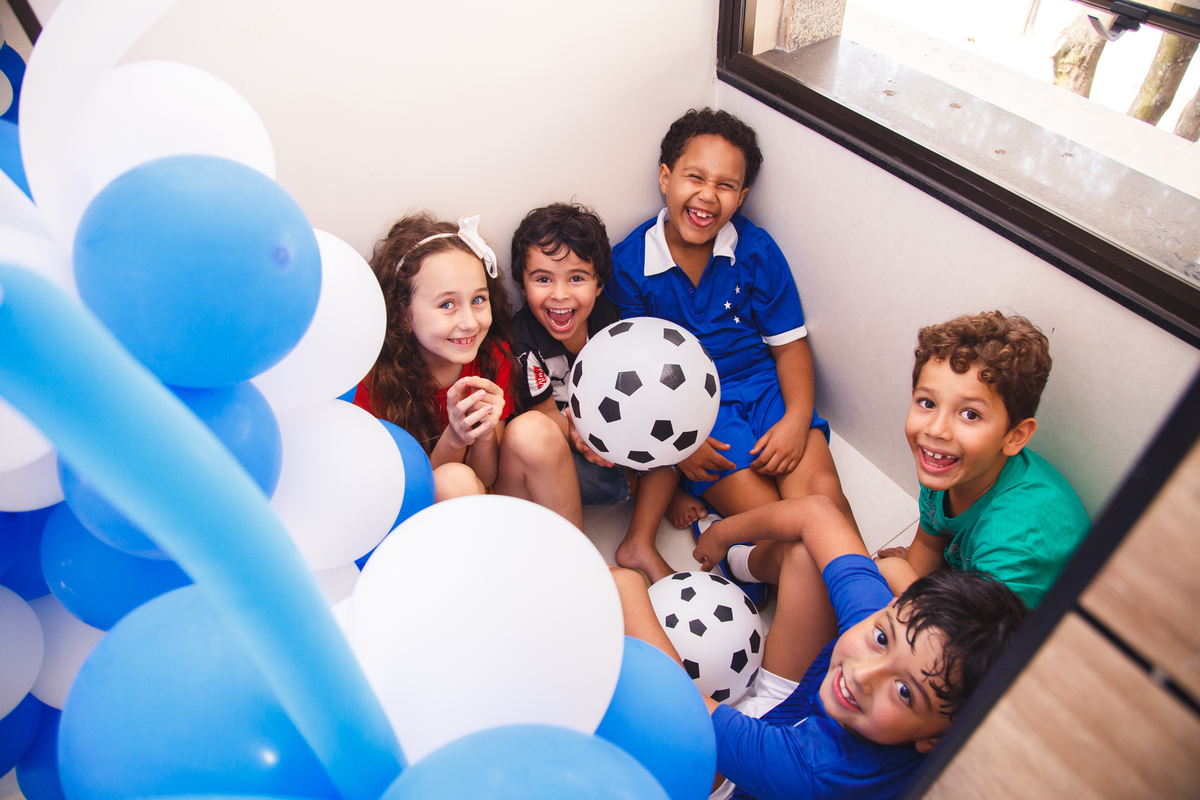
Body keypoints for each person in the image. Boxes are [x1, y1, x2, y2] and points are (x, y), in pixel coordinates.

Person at [613, 495, 1028, 800]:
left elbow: (684, 709)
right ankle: (739, 565)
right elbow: (818, 513)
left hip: (749, 784)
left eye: (904, 692)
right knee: (807, 557)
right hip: (794, 713)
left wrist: (627, 589)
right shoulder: (898, 634)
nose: (863, 675)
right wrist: (723, 534)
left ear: (934, 742)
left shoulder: (819, 772)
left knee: (620, 605)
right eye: (882, 639)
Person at [606, 107, 857, 588]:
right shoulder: (630, 263)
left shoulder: (757, 251)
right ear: (665, 178)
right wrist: (679, 449)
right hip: (697, 411)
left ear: (741, 197)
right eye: (694, 177)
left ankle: (880, 615)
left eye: (725, 185)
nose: (707, 195)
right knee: (784, 528)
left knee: (827, 504)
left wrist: (795, 420)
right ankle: (738, 551)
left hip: (766, 390)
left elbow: (790, 347)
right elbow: (627, 376)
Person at [353, 211, 582, 528]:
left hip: (487, 493)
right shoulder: (377, 379)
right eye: (447, 304)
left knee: (535, 428)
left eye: (478, 300)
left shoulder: (493, 356)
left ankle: (574, 555)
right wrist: (456, 437)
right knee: (453, 480)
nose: (470, 322)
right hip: (424, 515)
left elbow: (486, 475)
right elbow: (417, 492)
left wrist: (484, 433)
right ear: (403, 315)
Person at [509, 202, 685, 582]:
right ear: (522, 286)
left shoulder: (611, 319)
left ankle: (640, 541)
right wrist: (581, 438)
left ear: (599, 283)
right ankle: (640, 490)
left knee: (671, 451)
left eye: (576, 279)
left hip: (618, 431)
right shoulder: (522, 343)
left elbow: (638, 384)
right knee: (602, 475)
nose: (560, 295)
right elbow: (543, 416)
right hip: (570, 444)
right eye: (542, 279)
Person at [874, 311, 1090, 608]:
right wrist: (914, 576)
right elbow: (928, 543)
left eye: (970, 414)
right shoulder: (951, 466)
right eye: (928, 403)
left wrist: (899, 574)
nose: (936, 430)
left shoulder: (1015, 537)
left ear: (1015, 436)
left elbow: (963, 644)